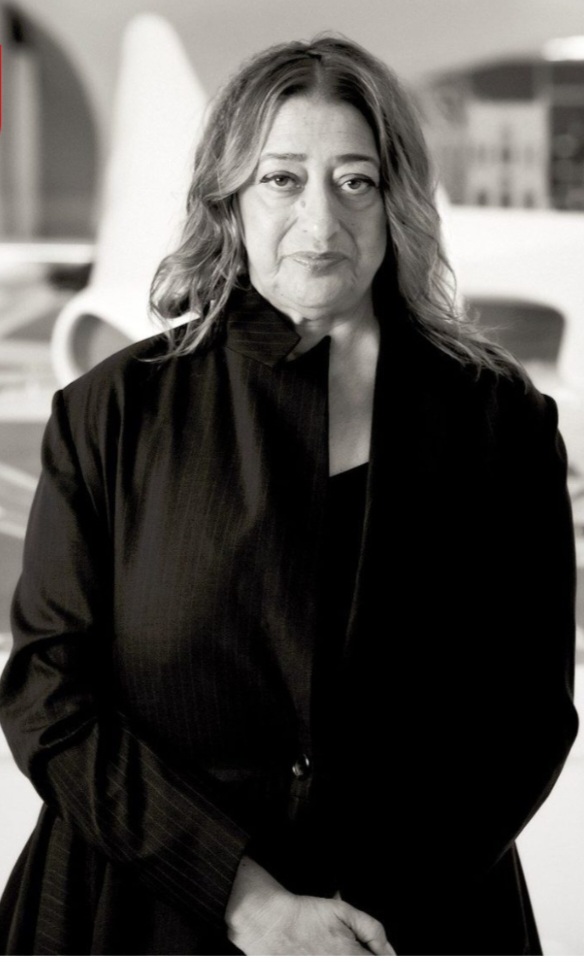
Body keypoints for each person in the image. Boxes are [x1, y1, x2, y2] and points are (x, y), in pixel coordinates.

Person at [0, 35, 578, 956]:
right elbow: (48, 698)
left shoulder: (500, 423)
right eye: (281, 179)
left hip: (413, 922)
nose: (321, 219)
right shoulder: (110, 412)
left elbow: (526, 714)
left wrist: (362, 914)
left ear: (397, 200)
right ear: (229, 198)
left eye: (355, 181)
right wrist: (250, 902)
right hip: (135, 914)